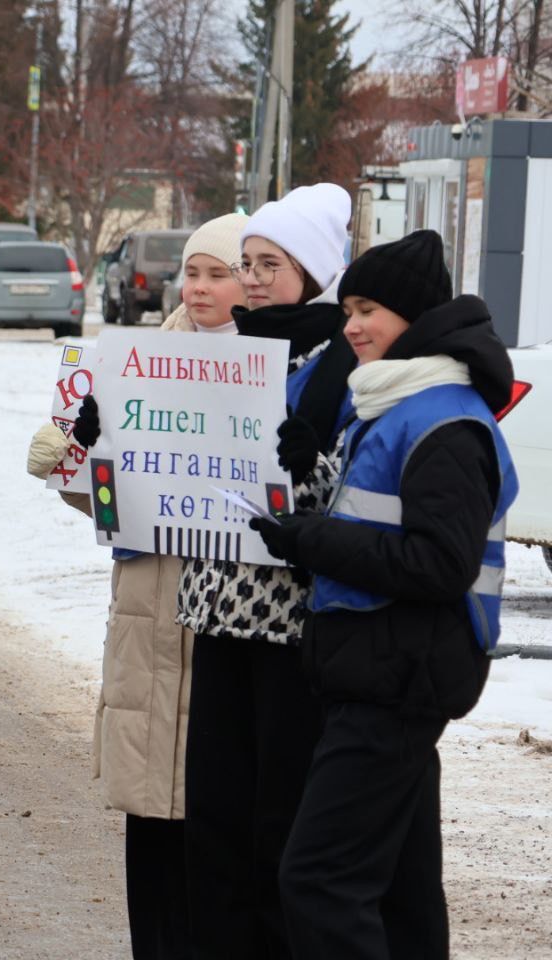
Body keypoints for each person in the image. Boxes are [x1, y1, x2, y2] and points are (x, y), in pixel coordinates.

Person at [249, 230, 517, 959]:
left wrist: (314, 542)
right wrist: (308, 537)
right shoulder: (400, 406)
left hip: (397, 680)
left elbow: (438, 563)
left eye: (368, 310)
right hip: (387, 674)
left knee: (319, 882)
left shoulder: (442, 421)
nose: (352, 327)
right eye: (348, 310)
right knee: (400, 898)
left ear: (416, 318)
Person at [26, 213, 248, 959]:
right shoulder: (140, 362)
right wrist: (72, 465)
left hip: (224, 620)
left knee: (216, 828)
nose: (201, 287)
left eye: (219, 273)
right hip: (148, 615)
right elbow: (113, 502)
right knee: (151, 819)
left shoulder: (274, 366)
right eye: (193, 272)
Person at [176, 183, 356, 959]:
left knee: (277, 821)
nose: (250, 279)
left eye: (269, 263)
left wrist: (304, 471)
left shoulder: (340, 364)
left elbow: (343, 488)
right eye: (245, 262)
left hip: (290, 626)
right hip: (217, 612)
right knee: (213, 818)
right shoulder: (221, 353)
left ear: (313, 274)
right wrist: (110, 431)